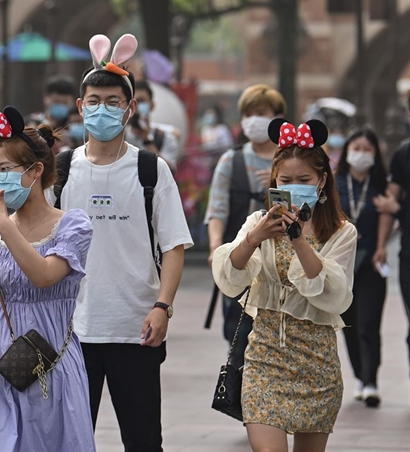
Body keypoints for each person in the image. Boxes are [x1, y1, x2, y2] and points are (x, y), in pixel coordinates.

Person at [50, 34, 192, 452]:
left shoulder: (151, 169)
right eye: (94, 101)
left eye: (113, 102)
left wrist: (162, 307)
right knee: (71, 440)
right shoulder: (60, 170)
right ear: (81, 107)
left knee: (144, 440)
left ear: (130, 109)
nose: (102, 109)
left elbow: (174, 247)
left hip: (137, 329)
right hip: (71, 331)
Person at [212, 118, 355, 452]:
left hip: (316, 360)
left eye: (303, 179)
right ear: (274, 180)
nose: (294, 186)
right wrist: (254, 237)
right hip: (265, 355)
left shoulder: (341, 232)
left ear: (321, 181)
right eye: (285, 180)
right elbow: (230, 276)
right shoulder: (257, 224)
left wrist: (299, 240)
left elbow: (334, 294)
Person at [0, 105, 95, 452]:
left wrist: (6, 225)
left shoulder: (73, 225)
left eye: (5, 169)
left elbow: (45, 275)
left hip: (53, 361)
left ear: (35, 170)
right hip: (1, 363)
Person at [205, 84, 287, 367]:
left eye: (261, 113)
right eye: (248, 114)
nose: (254, 119)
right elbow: (217, 208)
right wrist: (216, 247)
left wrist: (278, 184)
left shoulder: (291, 160)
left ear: (277, 117)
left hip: (283, 259)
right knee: (237, 329)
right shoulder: (232, 159)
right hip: (242, 255)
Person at [335, 128, 389, 408]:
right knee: (349, 325)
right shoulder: (334, 184)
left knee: (369, 324)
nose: (361, 154)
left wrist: (381, 245)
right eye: (357, 147)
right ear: (346, 151)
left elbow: (389, 215)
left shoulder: (381, 183)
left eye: (368, 149)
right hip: (342, 267)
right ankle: (359, 375)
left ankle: (371, 381)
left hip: (371, 264)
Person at [375, 131, 410, 390]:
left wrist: (401, 210)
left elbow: (396, 206)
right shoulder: (403, 154)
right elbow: (390, 201)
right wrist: (380, 245)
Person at [125, 80, 181, 170]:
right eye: (133, 102)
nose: (136, 106)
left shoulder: (165, 138)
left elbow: (169, 171)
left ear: (152, 105)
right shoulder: (120, 136)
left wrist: (147, 140)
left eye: (141, 101)